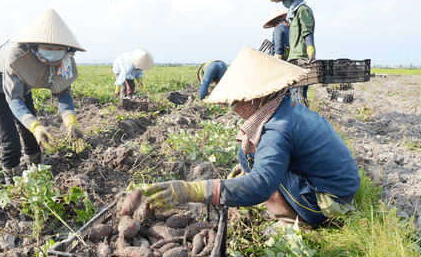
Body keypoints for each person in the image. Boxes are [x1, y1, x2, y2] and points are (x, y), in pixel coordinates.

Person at [145, 47, 359, 230]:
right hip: (337, 187)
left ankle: (292, 219)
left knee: (260, 178)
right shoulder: (284, 107)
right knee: (248, 153)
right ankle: (280, 203)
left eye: (239, 101)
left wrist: (195, 190)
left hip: (327, 203)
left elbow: (261, 185)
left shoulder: (277, 130)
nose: (236, 108)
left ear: (257, 98)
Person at [0, 9, 86, 185]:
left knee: (30, 134)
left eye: (58, 47)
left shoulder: (65, 59)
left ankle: (36, 174)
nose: (54, 51)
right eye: (48, 47)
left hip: (22, 90)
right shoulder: (18, 55)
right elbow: (14, 99)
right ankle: (13, 184)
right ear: (36, 44)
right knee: (11, 139)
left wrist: (71, 122)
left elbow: (63, 91)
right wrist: (36, 125)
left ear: (66, 48)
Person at [271, 0, 315, 103]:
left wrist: (311, 54)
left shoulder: (303, 10)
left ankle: (301, 120)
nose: (283, 4)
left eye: (284, 0)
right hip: (293, 58)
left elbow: (307, 33)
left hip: (301, 58)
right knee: (293, 97)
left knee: (298, 97)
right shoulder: (293, 14)